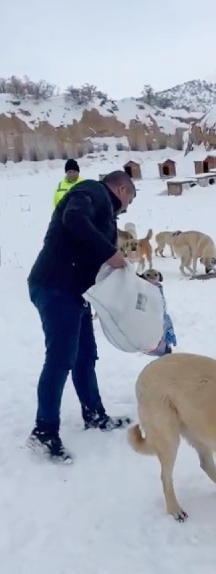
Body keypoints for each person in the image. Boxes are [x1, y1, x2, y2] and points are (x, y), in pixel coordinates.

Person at [27, 169, 137, 463]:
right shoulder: (92, 190)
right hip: (54, 285)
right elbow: (73, 218)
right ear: (123, 190)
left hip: (75, 291)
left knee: (85, 355)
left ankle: (94, 414)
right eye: (129, 201)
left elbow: (95, 257)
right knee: (61, 358)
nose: (126, 209)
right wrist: (109, 252)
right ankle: (44, 431)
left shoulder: (102, 211)